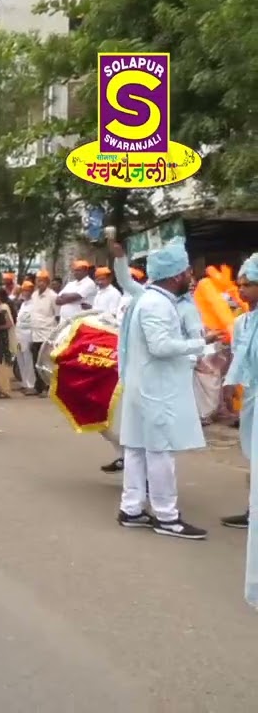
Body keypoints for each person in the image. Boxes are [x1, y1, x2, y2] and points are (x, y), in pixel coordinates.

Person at [116, 240, 219, 540]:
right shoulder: (157, 304)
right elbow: (160, 347)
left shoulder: (153, 299)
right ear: (176, 275)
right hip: (156, 391)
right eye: (187, 271)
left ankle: (131, 509)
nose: (190, 276)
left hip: (145, 387)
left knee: (137, 449)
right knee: (159, 452)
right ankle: (167, 516)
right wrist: (201, 343)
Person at [220, 256, 258, 592]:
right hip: (252, 399)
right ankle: (252, 512)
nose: (241, 290)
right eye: (240, 284)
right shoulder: (243, 322)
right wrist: (231, 382)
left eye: (248, 284)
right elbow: (240, 356)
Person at [21, 271, 58, 395]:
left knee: (46, 362)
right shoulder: (34, 295)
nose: (39, 283)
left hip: (47, 334)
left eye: (42, 281)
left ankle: (48, 387)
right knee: (36, 362)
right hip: (35, 333)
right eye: (38, 280)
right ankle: (38, 387)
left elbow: (57, 315)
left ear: (47, 282)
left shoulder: (53, 296)